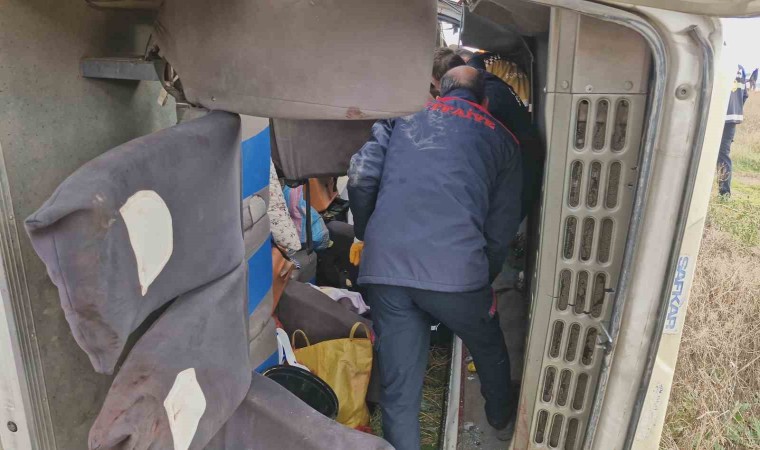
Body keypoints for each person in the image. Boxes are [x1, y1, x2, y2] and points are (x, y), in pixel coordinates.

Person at [348, 66, 522, 450]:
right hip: (458, 274)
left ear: (439, 91)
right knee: (488, 346)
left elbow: (361, 177)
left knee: (400, 386)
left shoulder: (400, 118)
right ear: (485, 100)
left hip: (386, 270)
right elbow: (501, 229)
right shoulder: (504, 141)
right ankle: (499, 419)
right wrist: (479, 280)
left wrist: (369, 234)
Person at [434, 47, 543, 218]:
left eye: (435, 86)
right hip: (523, 171)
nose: (438, 91)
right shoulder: (486, 82)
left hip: (516, 187)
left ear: (448, 79)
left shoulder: (484, 103)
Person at [718, 64, 750, 197]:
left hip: (716, 116)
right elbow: (745, 95)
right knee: (723, 155)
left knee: (701, 150)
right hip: (732, 118)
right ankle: (724, 193)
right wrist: (736, 109)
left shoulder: (720, 59)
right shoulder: (740, 68)